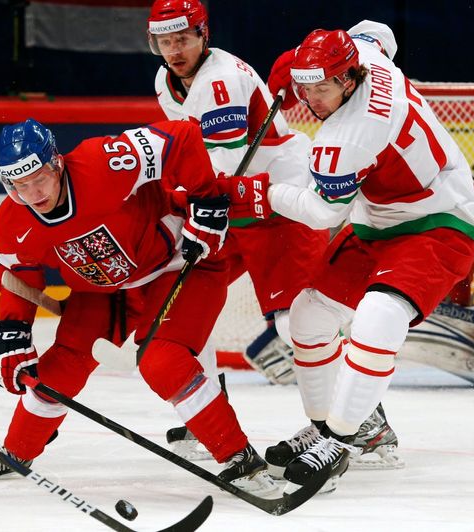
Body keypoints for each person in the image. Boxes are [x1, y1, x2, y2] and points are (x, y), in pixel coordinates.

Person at [0, 118, 278, 496]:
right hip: (103, 291)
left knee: (164, 362)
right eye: (20, 185)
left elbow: (182, 136)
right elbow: (18, 274)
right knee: (60, 367)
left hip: (176, 265)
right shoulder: (13, 221)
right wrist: (14, 331)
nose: (33, 192)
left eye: (39, 178)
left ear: (56, 163)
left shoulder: (103, 162)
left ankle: (241, 460)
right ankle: (16, 452)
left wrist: (205, 197)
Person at [262, 22, 474, 492]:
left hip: (440, 219)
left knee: (379, 317)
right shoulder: (365, 54)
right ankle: (328, 429)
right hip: (381, 219)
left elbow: (323, 213)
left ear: (347, 80)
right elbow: (376, 29)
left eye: (320, 88)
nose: (310, 101)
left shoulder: (348, 135)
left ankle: (345, 441)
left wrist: (260, 193)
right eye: (305, 87)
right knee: (307, 319)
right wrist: (300, 68)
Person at [146, 0, 349, 457]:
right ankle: (206, 415)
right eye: (165, 41)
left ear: (203, 35)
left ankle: (360, 425)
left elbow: (221, 163)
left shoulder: (221, 81)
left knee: (295, 323)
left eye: (183, 39)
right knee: (186, 306)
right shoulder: (165, 81)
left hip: (275, 201)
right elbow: (200, 165)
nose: (174, 50)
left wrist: (177, 199)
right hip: (227, 203)